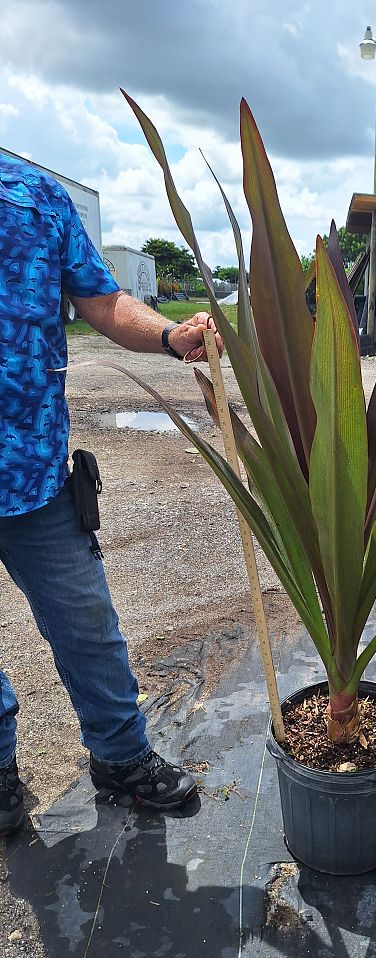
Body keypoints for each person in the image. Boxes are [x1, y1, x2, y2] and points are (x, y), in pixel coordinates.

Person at [0, 151, 223, 836]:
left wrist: (167, 335)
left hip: (32, 475)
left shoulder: (35, 197)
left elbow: (101, 299)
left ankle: (121, 759)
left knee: (88, 627)